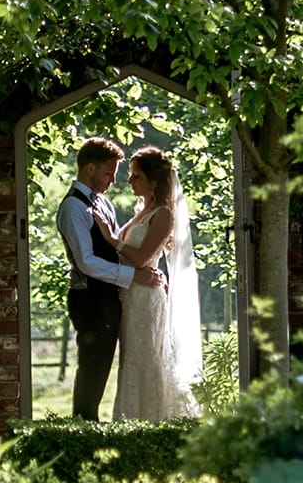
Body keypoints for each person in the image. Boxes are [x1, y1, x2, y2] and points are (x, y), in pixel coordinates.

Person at [58, 137, 165, 420]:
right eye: (108, 173)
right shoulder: (73, 208)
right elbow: (87, 261)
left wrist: (145, 269)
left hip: (111, 298)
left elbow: (117, 247)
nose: (112, 181)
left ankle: (93, 425)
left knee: (106, 367)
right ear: (89, 168)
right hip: (89, 299)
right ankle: (83, 427)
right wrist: (134, 276)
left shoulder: (103, 203)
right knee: (92, 370)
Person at [108, 145, 203, 421]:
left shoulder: (163, 214)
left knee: (146, 358)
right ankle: (130, 421)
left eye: (136, 176)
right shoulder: (141, 211)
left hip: (146, 298)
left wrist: (110, 237)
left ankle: (152, 419)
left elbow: (140, 258)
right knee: (131, 359)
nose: (130, 181)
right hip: (130, 294)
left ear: (153, 180)